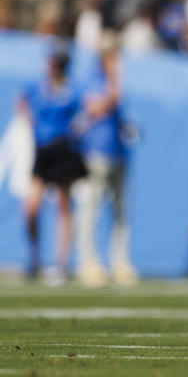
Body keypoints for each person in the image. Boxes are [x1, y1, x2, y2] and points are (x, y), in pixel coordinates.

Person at [75, 38, 138, 287]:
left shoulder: (117, 83)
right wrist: (114, 78)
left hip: (119, 153)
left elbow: (121, 112)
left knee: (121, 211)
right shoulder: (94, 80)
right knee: (92, 209)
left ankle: (120, 261)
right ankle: (88, 262)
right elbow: (100, 106)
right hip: (97, 153)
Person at [21, 46, 85, 283]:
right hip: (43, 150)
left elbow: (82, 112)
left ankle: (62, 262)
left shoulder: (71, 88)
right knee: (31, 208)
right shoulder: (37, 86)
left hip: (63, 149)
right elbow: (23, 102)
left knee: (64, 206)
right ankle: (34, 257)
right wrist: (30, 124)